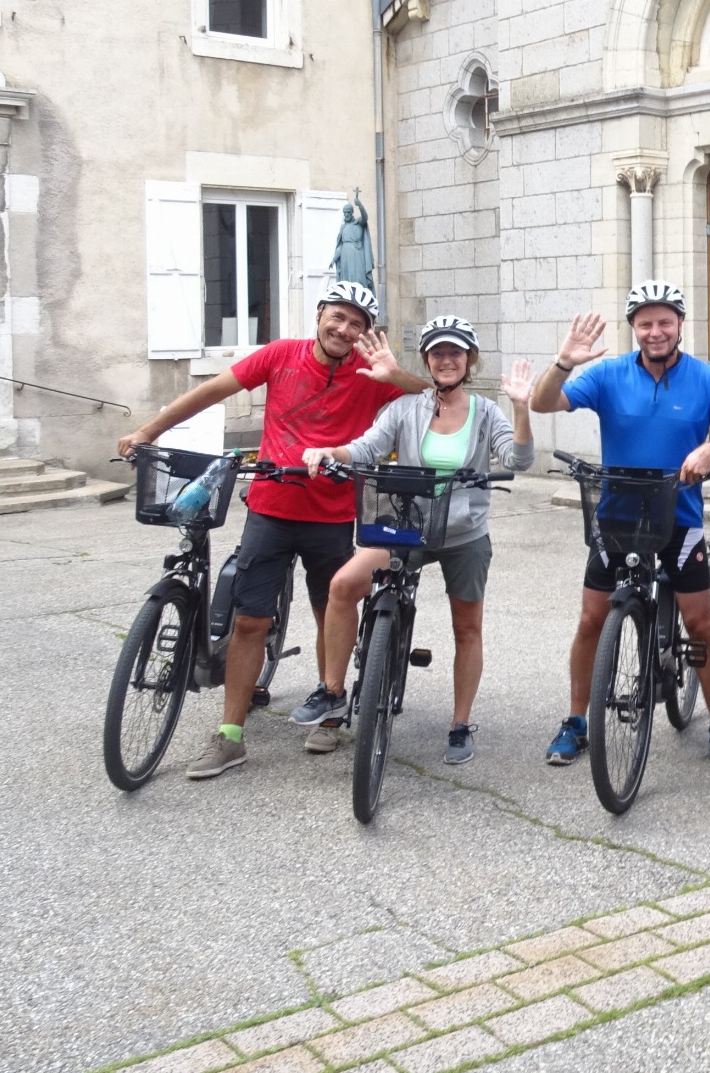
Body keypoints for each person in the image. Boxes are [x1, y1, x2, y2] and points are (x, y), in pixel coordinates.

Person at [116, 281, 428, 780]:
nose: (343, 330)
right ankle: (231, 736)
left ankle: (330, 707)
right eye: (337, 317)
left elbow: (436, 399)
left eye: (356, 324)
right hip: (271, 508)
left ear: (366, 333)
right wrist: (147, 432)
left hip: (330, 515)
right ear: (320, 314)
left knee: (332, 610)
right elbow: (210, 391)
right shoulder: (281, 356)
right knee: (249, 622)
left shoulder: (372, 375)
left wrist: (397, 375)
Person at [529, 280, 710, 774]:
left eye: (664, 322)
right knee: (592, 620)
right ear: (633, 328)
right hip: (617, 515)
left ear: (680, 325)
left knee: (700, 622)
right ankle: (576, 720)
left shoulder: (706, 380)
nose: (654, 331)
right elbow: (542, 403)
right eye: (644, 323)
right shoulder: (608, 375)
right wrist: (565, 361)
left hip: (681, 517)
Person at [294, 316, 533, 765]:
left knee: (467, 628)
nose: (446, 360)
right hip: (406, 526)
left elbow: (518, 458)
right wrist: (330, 451)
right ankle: (332, 692)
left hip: (464, 534)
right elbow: (366, 448)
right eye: (438, 352)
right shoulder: (407, 408)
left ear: (469, 361)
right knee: (344, 586)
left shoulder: (485, 412)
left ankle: (460, 724)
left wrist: (521, 407)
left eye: (455, 353)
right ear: (427, 359)